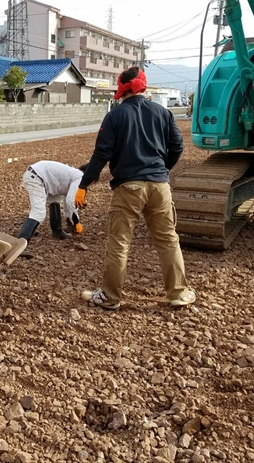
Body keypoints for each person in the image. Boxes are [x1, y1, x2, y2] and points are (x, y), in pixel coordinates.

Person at [75, 67, 196, 309]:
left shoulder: (115, 116)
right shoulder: (163, 112)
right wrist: (162, 171)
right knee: (168, 240)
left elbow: (102, 154)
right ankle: (178, 294)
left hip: (128, 186)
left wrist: (84, 184)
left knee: (119, 243)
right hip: (160, 186)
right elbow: (178, 147)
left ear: (122, 89)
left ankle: (110, 297)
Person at [17, 161, 86, 259]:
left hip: (41, 176)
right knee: (38, 213)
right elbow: (71, 201)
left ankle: (57, 231)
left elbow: (68, 200)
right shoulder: (80, 177)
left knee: (55, 201)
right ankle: (20, 245)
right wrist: (76, 221)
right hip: (37, 177)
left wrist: (71, 219)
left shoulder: (74, 174)